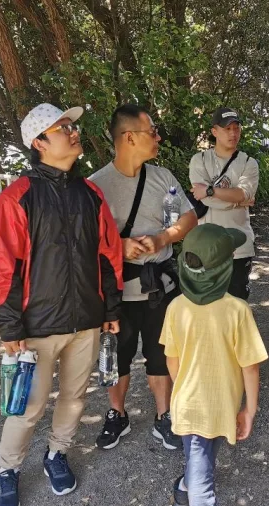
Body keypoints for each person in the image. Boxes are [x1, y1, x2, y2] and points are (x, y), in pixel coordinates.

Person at [0, 103, 123, 506]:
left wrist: (110, 310)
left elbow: (108, 254)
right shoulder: (17, 196)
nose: (72, 131)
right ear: (39, 142)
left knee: (76, 398)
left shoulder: (90, 193)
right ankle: (7, 469)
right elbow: (2, 264)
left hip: (86, 320)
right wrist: (10, 326)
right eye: (62, 127)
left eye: (71, 126)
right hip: (36, 327)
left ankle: (57, 453)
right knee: (27, 408)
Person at [89, 104, 198, 452]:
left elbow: (190, 216)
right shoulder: (94, 186)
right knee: (114, 356)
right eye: (152, 131)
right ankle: (116, 413)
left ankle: (164, 416)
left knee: (160, 353)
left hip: (158, 288)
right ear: (129, 137)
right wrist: (116, 247)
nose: (158, 137)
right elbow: (80, 241)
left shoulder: (163, 178)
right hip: (114, 292)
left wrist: (164, 238)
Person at [160, 224, 268, 506]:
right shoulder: (237, 311)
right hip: (219, 405)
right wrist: (250, 409)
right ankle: (193, 487)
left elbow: (172, 360)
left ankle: (188, 481)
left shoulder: (176, 308)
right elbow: (251, 366)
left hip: (188, 403)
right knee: (203, 487)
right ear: (225, 267)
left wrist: (184, 387)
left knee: (199, 453)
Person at [188, 107, 259, 300]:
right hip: (206, 247)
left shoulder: (248, 163)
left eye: (237, 128)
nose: (233, 133)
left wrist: (210, 191)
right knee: (206, 305)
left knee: (236, 305)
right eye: (227, 128)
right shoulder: (199, 160)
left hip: (239, 247)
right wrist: (238, 201)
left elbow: (242, 193)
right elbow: (203, 197)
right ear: (214, 131)